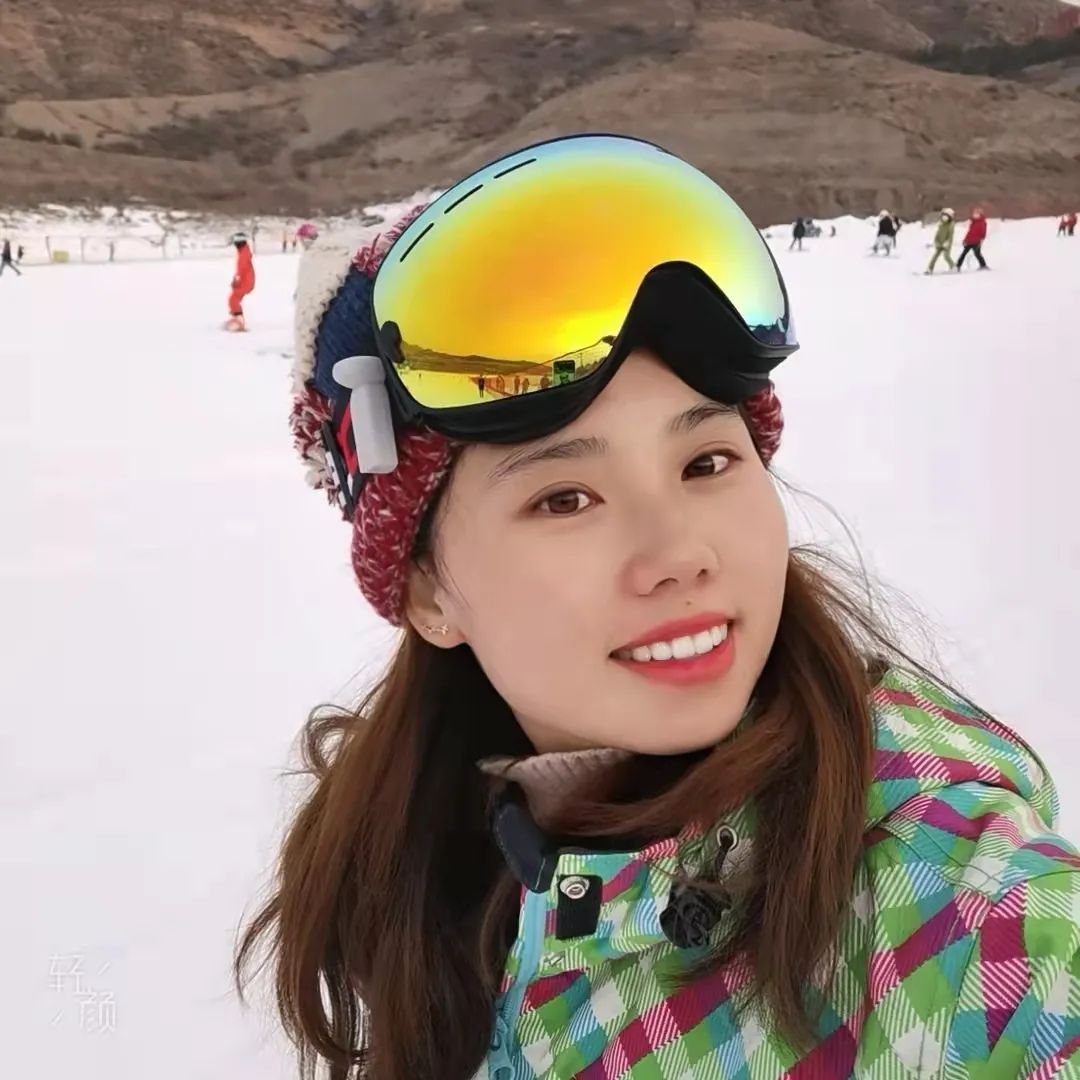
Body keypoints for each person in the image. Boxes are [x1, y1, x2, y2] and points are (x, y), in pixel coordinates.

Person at [237, 135, 1080, 1080]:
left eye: (706, 462)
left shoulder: (964, 922)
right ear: (427, 591)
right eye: (566, 498)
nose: (679, 555)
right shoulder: (423, 861)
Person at [226, 231, 255, 331]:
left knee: (233, 299)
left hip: (245, 282)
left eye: (235, 243)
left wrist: (236, 281)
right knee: (234, 300)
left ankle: (239, 322)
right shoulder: (244, 252)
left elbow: (241, 270)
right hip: (246, 281)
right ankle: (236, 319)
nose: (235, 245)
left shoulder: (243, 254)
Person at [926, 207, 956, 274]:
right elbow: (938, 233)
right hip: (939, 243)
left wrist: (947, 242)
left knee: (946, 256)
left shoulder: (951, 224)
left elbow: (950, 235)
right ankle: (930, 269)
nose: (944, 217)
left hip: (947, 244)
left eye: (946, 216)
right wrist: (936, 241)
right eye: (943, 216)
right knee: (935, 256)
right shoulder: (941, 224)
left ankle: (953, 266)